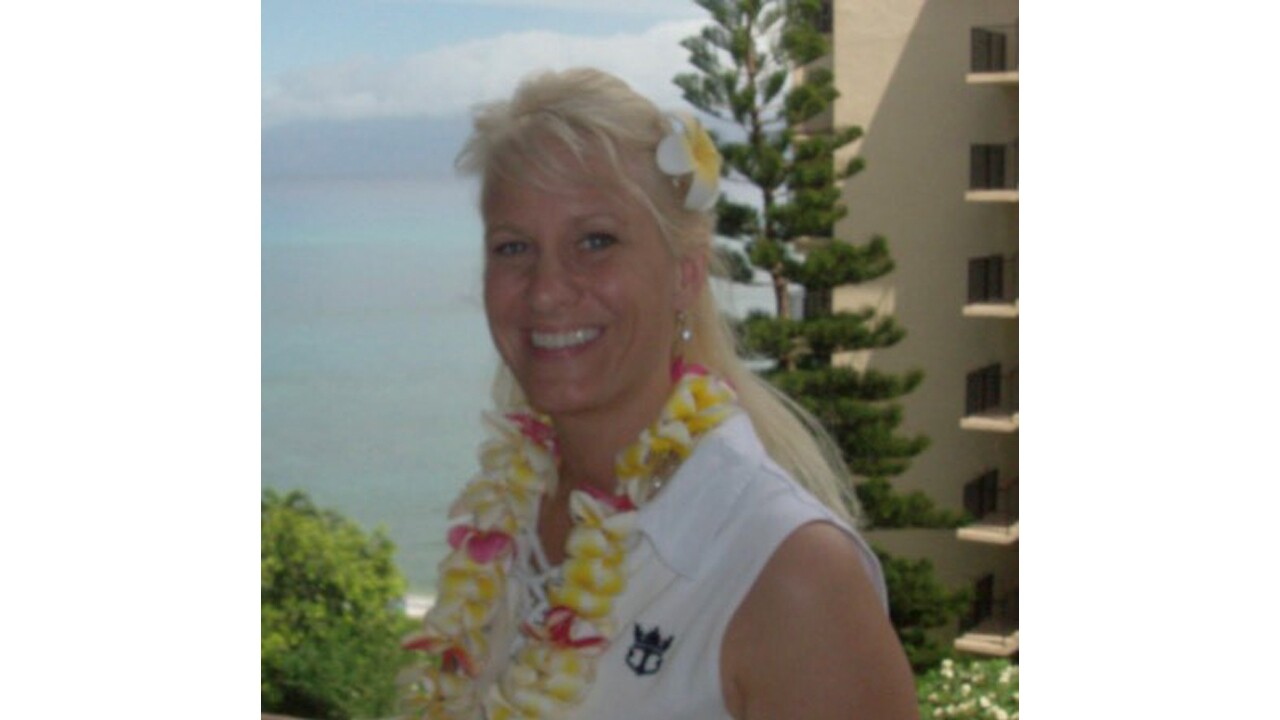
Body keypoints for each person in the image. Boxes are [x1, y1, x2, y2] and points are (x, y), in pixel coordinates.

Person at [402, 67, 918, 720]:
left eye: (596, 241)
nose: (546, 291)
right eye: (513, 248)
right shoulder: (510, 518)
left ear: (685, 275)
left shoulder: (791, 572)